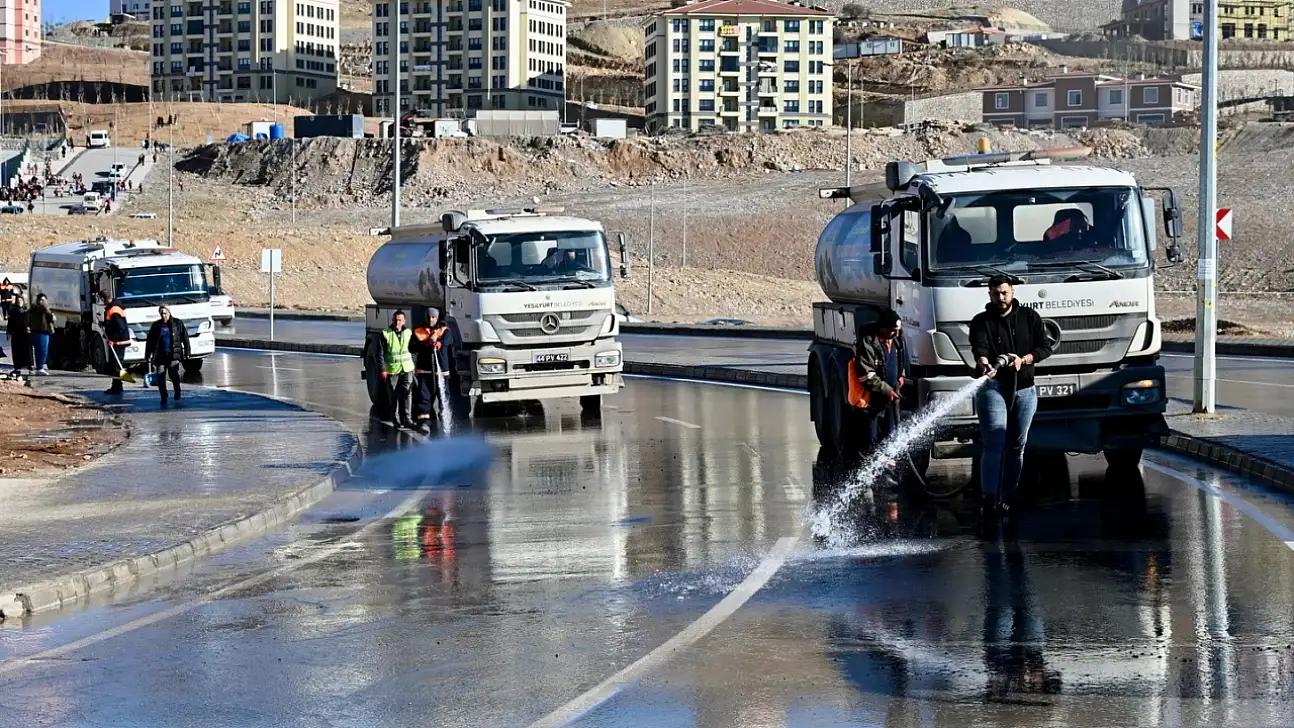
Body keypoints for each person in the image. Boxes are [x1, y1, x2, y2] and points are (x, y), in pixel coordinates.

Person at [969, 277, 1053, 521]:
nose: (1000, 297)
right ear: (990, 295)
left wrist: (1023, 360)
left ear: (1012, 292)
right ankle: (989, 498)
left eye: (1004, 293)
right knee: (994, 442)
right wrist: (984, 363)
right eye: (995, 294)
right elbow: (979, 349)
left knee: (1017, 445)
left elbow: (1045, 348)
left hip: (1025, 389)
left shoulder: (1029, 317)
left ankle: (1008, 496)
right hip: (994, 388)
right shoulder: (981, 321)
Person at [847, 308, 910, 454]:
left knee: (891, 436)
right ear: (883, 328)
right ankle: (869, 471)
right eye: (892, 330)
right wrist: (887, 390)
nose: (895, 334)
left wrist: (900, 377)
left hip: (889, 397)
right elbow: (866, 375)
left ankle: (888, 470)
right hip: (871, 400)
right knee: (870, 439)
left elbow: (900, 360)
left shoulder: (896, 339)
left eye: (897, 330)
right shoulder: (867, 343)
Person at [410, 308, 451, 431]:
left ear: (437, 318)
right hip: (424, 372)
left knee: (444, 397)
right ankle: (424, 422)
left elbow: (447, 341)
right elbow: (412, 347)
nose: (431, 319)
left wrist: (438, 343)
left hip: (441, 373)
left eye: (433, 317)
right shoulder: (418, 332)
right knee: (424, 398)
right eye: (428, 317)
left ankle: (445, 421)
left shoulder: (444, 331)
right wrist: (425, 344)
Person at [144, 306, 190, 404]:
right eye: (161, 314)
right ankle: (163, 396)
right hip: (160, 355)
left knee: (173, 373)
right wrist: (148, 355)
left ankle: (177, 390)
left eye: (165, 313)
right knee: (160, 375)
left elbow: (185, 338)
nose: (163, 316)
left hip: (173, 354)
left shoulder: (177, 324)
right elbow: (150, 341)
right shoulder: (156, 325)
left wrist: (187, 352)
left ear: (169, 313)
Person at [379, 310, 416, 429]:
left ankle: (407, 419)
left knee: (407, 394)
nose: (397, 322)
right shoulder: (385, 333)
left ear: (404, 321)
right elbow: (379, 353)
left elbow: (413, 350)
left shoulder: (408, 333)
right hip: (392, 370)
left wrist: (414, 366)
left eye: (400, 320)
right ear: (392, 320)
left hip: (407, 368)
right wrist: (383, 369)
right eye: (395, 320)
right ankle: (395, 418)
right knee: (393, 395)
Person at [99, 291, 131, 395]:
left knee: (116, 365)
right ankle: (117, 386)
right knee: (115, 365)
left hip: (119, 342)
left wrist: (113, 339)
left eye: (101, 299)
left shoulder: (114, 309)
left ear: (103, 298)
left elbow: (119, 327)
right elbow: (111, 325)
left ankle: (117, 387)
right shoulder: (112, 307)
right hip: (117, 341)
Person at [27, 293, 54, 375]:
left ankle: (40, 366)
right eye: (41, 300)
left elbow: (52, 318)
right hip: (38, 331)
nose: (43, 302)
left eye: (44, 300)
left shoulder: (46, 309)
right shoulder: (35, 309)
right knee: (40, 350)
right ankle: (39, 367)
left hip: (45, 331)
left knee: (44, 350)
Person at [7, 294, 30, 375]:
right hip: (16, 333)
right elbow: (10, 322)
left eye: (21, 300)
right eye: (18, 301)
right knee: (17, 350)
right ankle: (17, 365)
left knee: (26, 349)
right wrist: (9, 331)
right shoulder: (13, 311)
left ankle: (27, 364)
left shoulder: (26, 311)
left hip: (25, 333)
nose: (20, 302)